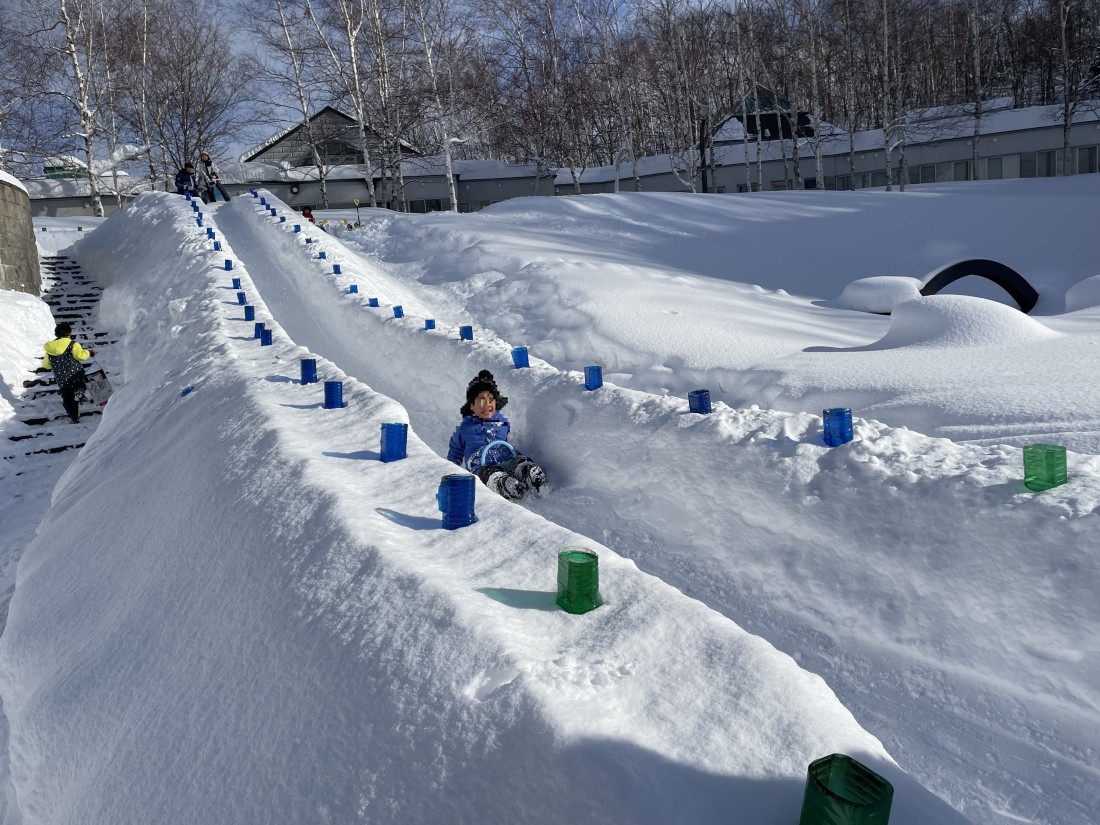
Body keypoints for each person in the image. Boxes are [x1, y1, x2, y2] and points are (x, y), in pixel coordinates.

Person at [447, 370, 547, 500]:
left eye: (490, 401)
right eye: (481, 401)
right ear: (472, 406)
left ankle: (529, 473)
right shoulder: (465, 428)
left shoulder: (502, 422)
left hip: (505, 457)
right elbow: (455, 449)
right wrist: (450, 468)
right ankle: (504, 484)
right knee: (487, 474)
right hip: (481, 464)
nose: (486, 405)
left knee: (519, 460)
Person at [42, 323, 94, 423]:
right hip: (75, 373)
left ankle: (74, 416)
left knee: (67, 397)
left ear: (56, 334)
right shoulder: (73, 344)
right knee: (81, 384)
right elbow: (80, 356)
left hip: (61, 377)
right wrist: (89, 353)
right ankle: (79, 391)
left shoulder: (50, 348)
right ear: (69, 333)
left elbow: (46, 365)